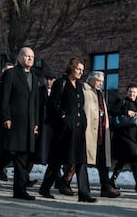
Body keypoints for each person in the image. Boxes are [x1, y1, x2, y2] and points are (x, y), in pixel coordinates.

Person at [39, 57, 96, 202]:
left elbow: (80, 105)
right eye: (78, 69)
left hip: (78, 129)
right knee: (56, 160)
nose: (81, 72)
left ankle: (84, 193)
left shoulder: (80, 86)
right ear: (71, 68)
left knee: (81, 161)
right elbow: (52, 103)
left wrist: (83, 121)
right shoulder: (61, 83)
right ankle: (45, 188)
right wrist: (64, 117)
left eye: (82, 70)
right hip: (64, 130)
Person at [0, 47, 39, 200]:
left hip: (28, 123)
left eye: (32, 57)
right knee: (10, 152)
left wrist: (36, 122)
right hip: (13, 121)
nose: (30, 59)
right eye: (27, 56)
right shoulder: (10, 74)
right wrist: (6, 118)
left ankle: (20, 190)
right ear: (20, 57)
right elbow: (4, 99)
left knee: (23, 156)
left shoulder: (34, 77)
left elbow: (35, 102)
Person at [83, 71, 121, 198]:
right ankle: (64, 182)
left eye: (102, 81)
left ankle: (105, 187)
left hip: (101, 133)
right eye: (98, 81)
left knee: (103, 161)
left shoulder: (100, 93)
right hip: (88, 132)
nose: (101, 83)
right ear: (91, 80)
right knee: (78, 161)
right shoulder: (84, 90)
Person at [109, 83, 137, 192]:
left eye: (134, 92)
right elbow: (112, 111)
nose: (132, 94)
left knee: (122, 159)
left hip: (133, 136)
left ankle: (112, 180)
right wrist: (125, 112)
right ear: (127, 92)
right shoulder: (122, 101)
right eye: (130, 91)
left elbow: (136, 121)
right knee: (134, 158)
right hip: (123, 136)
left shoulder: (136, 104)